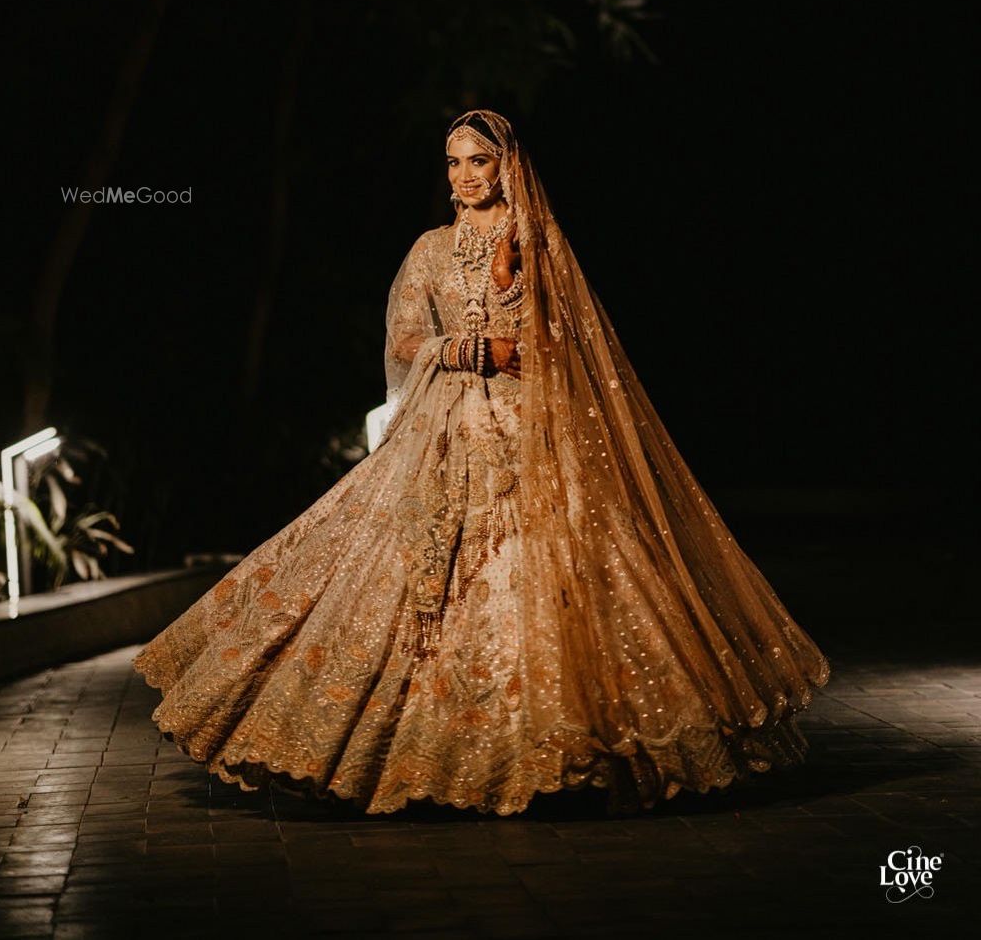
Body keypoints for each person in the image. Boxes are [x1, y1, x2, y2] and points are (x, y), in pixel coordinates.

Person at [132, 108, 830, 816]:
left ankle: (562, 754)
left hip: (532, 432)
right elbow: (404, 339)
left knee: (556, 570)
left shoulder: (540, 242)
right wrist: (465, 350)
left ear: (507, 166)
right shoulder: (430, 249)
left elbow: (575, 342)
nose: (464, 176)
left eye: (478, 161)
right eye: (453, 163)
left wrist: (519, 310)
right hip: (444, 427)